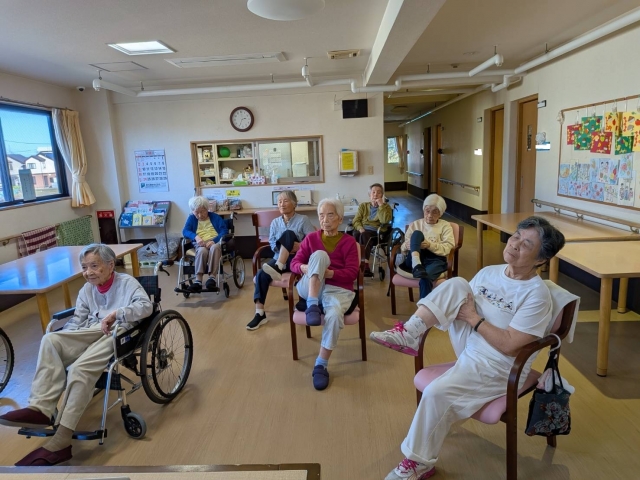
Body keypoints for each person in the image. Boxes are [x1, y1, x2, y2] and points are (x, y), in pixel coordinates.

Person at [370, 216, 565, 480]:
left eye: (527, 244)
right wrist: (447, 300)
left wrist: (474, 318)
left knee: (435, 392)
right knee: (457, 283)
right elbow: (456, 302)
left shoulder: (536, 296)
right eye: (517, 236)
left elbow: (510, 346)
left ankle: (418, 463)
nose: (515, 244)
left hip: (499, 365)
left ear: (541, 259)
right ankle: (411, 333)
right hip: (470, 344)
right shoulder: (490, 272)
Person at [0, 244, 153, 467]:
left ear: (110, 265)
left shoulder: (127, 283)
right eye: (84, 267)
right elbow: (77, 321)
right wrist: (67, 339)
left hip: (117, 332)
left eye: (94, 266)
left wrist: (117, 313)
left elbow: (146, 307)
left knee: (79, 369)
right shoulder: (87, 290)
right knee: (51, 339)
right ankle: (40, 408)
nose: (88, 272)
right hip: (89, 331)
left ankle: (62, 440)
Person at [290, 198, 360, 391]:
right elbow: (294, 263)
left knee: (335, 315)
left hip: (338, 289)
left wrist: (329, 273)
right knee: (319, 255)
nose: (325, 220)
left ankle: (321, 364)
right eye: (321, 215)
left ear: (340, 219)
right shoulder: (311, 238)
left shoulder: (349, 242)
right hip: (310, 287)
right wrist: (305, 268)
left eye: (330, 215)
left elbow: (352, 273)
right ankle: (312, 304)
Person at [248, 190, 315, 331]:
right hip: (278, 257)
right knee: (261, 274)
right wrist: (285, 247)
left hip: (297, 259)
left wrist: (299, 246)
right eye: (279, 201)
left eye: (285, 201)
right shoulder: (275, 222)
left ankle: (279, 266)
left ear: (294, 203)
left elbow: (313, 241)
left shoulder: (303, 219)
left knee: (289, 233)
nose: (281, 204)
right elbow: (272, 243)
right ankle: (260, 313)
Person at [396, 194, 455, 299]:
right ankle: (416, 264)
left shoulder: (445, 226)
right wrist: (407, 246)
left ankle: (423, 308)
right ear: (423, 210)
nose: (430, 215)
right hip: (414, 259)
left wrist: (429, 245)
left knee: (425, 278)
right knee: (417, 233)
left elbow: (448, 247)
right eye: (427, 211)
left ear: (440, 213)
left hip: (435, 260)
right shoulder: (415, 224)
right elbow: (403, 247)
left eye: (435, 212)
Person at [182, 195, 229, 292]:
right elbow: (185, 231)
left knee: (215, 248)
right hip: (200, 244)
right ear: (192, 211)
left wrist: (214, 240)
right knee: (202, 251)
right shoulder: (191, 218)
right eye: (196, 212)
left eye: (202, 211)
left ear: (207, 209)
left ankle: (212, 278)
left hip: (215, 242)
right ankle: (198, 281)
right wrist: (196, 237)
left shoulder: (215, 217)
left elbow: (224, 231)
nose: (199, 215)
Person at [352, 183, 392, 277]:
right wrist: (360, 228)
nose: (375, 194)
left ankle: (365, 264)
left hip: (377, 233)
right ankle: (355, 262)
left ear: (382, 195)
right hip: (363, 230)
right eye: (373, 192)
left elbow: (384, 220)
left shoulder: (386, 207)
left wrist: (381, 206)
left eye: (379, 192)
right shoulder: (363, 206)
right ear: (369, 195)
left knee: (365, 235)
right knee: (355, 234)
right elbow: (356, 220)